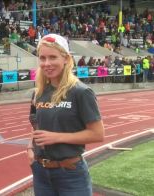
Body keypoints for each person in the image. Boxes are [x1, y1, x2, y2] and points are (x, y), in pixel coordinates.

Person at [27, 34, 104, 196]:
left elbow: (98, 134)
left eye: (52, 57)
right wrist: (30, 147)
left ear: (66, 59)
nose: (46, 63)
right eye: (42, 58)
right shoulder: (39, 92)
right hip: (41, 172)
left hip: (70, 174)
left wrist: (56, 137)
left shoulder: (81, 92)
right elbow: (36, 125)